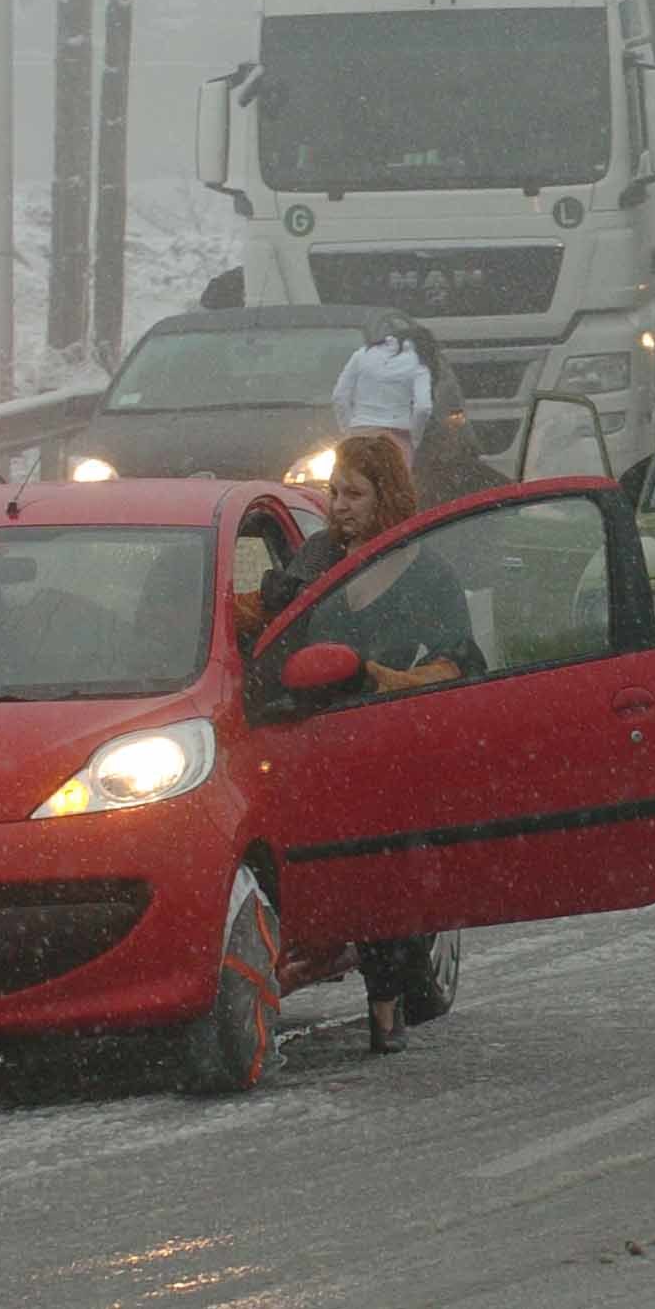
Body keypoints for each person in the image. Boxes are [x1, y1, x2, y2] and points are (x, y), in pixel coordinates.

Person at [234, 436, 476, 1053]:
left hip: (387, 741)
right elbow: (265, 625)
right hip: (312, 739)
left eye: (354, 494)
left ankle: (385, 1004)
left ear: (386, 496)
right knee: (336, 870)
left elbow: (455, 665)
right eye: (334, 491)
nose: (338, 505)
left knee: (382, 872)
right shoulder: (318, 556)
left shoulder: (427, 574)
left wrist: (380, 680)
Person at [330, 323, 436, 466]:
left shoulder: (362, 354)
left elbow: (339, 396)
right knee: (394, 479)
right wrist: (414, 438)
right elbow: (423, 408)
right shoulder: (419, 362)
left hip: (359, 432)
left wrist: (349, 429)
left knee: (354, 479)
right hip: (397, 437)